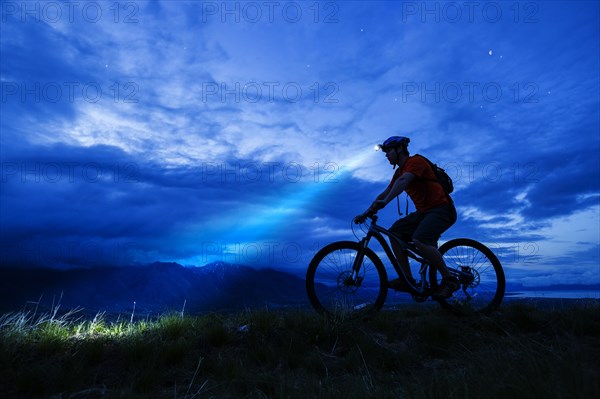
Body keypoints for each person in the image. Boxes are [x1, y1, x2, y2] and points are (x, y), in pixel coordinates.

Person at [354, 136, 459, 299]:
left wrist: (385, 202)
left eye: (389, 151)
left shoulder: (416, 162)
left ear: (400, 149)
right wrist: (367, 212)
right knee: (394, 233)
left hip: (442, 209)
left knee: (420, 239)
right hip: (423, 213)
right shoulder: (398, 172)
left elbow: (404, 181)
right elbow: (385, 192)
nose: (387, 155)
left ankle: (449, 280)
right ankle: (407, 279)